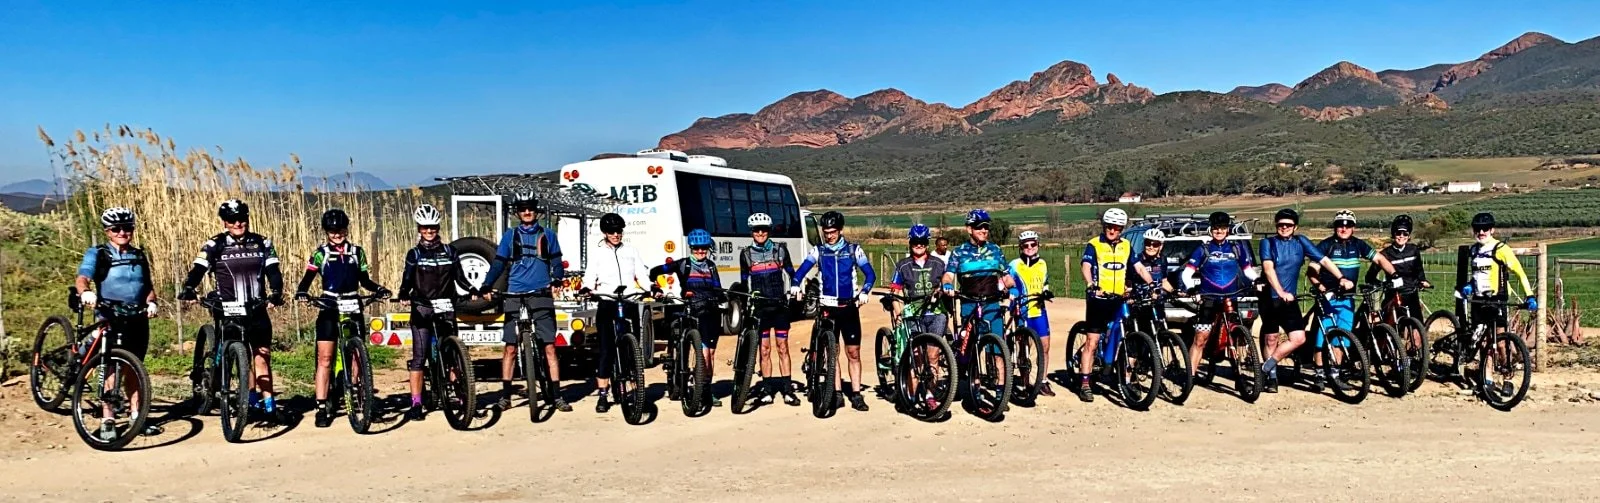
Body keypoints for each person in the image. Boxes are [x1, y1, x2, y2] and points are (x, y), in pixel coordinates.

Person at [180, 199, 286, 418]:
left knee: (262, 355)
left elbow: (273, 271)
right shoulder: (215, 244)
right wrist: (189, 287)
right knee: (233, 355)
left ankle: (268, 405)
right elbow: (198, 269)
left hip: (255, 307)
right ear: (224, 222)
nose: (238, 223)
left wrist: (276, 292)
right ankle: (231, 392)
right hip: (226, 307)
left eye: (242, 219)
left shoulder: (262, 242)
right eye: (232, 220)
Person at [294, 209, 390, 427]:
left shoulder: (357, 252)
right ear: (326, 232)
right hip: (329, 306)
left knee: (357, 355)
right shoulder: (320, 253)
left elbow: (365, 281)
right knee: (325, 358)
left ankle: (358, 398)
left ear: (346, 229)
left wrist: (380, 289)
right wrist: (302, 292)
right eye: (332, 231)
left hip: (352, 303)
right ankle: (321, 406)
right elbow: (307, 279)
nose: (337, 234)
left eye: (340, 230)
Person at [76, 207, 162, 439]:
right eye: (117, 229)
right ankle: (108, 419)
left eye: (127, 228)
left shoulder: (139, 255)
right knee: (111, 368)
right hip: (109, 315)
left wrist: (152, 302)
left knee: (135, 367)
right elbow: (83, 276)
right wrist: (86, 292)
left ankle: (137, 416)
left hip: (136, 317)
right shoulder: (98, 253)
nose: (123, 232)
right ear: (108, 231)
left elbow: (147, 285)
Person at [482, 191, 568, 412]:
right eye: (522, 209)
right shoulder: (510, 236)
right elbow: (499, 263)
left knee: (549, 347)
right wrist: (486, 284)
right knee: (510, 347)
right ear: (517, 212)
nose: (527, 212)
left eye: (530, 208)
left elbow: (557, 262)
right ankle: (505, 395)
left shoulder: (548, 235)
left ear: (536, 210)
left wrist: (557, 279)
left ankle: (557, 395)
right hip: (515, 293)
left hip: (540, 293)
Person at [394, 205, 474, 421]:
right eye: (425, 227)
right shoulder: (415, 253)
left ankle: (460, 395)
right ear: (419, 229)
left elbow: (460, 278)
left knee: (453, 355)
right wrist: (403, 294)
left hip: (446, 305)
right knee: (419, 357)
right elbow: (407, 279)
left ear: (438, 227)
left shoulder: (450, 251)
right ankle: (416, 403)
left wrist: (473, 289)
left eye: (433, 227)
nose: (429, 231)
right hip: (422, 307)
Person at [792, 211, 877, 412]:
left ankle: (856, 394)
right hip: (827, 306)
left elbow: (870, 274)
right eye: (826, 232)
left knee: (853, 352)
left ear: (840, 230)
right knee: (833, 352)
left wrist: (865, 291)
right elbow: (801, 270)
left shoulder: (854, 250)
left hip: (848, 306)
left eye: (832, 232)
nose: (829, 235)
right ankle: (836, 392)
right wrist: (796, 283)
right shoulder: (818, 251)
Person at [1256, 208, 1348, 393]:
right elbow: (1268, 268)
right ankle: (1272, 378)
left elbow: (1323, 261)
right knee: (1271, 338)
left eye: (1288, 225)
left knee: (1298, 338)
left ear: (1295, 226)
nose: (1284, 228)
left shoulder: (1301, 241)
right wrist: (1280, 291)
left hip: (1290, 300)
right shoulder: (1268, 243)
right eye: (1281, 224)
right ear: (1276, 226)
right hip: (1271, 298)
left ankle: (1267, 366)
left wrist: (1341, 277)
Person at [1305, 210, 1392, 391]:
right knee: (1323, 337)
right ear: (1335, 226)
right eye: (1340, 225)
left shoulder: (1358, 245)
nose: (1343, 228)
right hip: (1328, 297)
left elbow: (1379, 259)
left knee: (1342, 338)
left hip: (1348, 299)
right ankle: (1319, 374)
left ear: (1353, 227)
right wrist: (1321, 288)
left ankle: (1334, 374)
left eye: (1348, 225)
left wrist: (1395, 274)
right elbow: (1311, 271)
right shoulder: (1326, 245)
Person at [580, 213, 652, 413]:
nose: (616, 234)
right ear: (605, 233)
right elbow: (590, 276)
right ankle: (603, 395)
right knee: (607, 350)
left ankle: (638, 393)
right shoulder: (598, 253)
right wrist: (587, 288)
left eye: (619, 231)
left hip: (628, 300)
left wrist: (651, 287)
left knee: (633, 349)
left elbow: (641, 273)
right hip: (607, 301)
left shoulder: (630, 250)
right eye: (612, 231)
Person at [650, 229, 727, 407]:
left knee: (712, 354)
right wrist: (655, 288)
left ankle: (707, 389)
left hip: (711, 311)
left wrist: (724, 299)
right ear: (691, 248)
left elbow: (717, 287)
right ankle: (701, 388)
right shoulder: (682, 264)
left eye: (704, 249)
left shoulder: (711, 266)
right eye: (697, 249)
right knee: (704, 352)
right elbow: (656, 271)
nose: (701, 252)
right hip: (693, 311)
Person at [1179, 212, 1258, 380]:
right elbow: (1187, 274)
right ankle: (1190, 377)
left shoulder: (1237, 248)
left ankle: (1239, 371)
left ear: (1227, 230)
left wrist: (1258, 280)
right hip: (1209, 297)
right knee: (1201, 338)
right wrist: (1191, 289)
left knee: (1236, 333)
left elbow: (1248, 271)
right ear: (1211, 229)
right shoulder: (1203, 249)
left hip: (1231, 297)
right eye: (1215, 228)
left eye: (1222, 228)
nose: (1219, 231)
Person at [739, 213, 800, 406]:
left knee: (783, 348)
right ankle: (766, 389)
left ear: (769, 230)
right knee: (764, 350)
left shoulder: (780, 250)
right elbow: (743, 281)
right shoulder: (746, 254)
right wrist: (743, 301)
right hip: (760, 309)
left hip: (779, 306)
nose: (760, 233)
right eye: (756, 230)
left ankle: (788, 390)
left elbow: (791, 273)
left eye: (764, 229)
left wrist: (796, 287)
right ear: (751, 232)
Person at [1458, 213, 1537, 362]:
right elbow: (1477, 274)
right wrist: (1470, 284)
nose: (1481, 232)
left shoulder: (1501, 249)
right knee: (1483, 343)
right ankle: (1487, 378)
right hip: (1478, 300)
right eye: (1477, 229)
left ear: (1492, 230)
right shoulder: (1474, 250)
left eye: (1485, 228)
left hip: (1497, 299)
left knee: (1500, 343)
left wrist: (1530, 295)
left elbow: (1520, 272)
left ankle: (1506, 374)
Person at [1074, 209, 1132, 402]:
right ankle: (1084, 383)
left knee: (1122, 334)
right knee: (1092, 341)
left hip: (1118, 299)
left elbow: (1137, 266)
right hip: (1098, 299)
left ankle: (1125, 380)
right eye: (1109, 226)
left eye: (1116, 227)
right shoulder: (1094, 244)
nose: (1112, 230)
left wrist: (1150, 284)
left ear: (1121, 229)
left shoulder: (1126, 246)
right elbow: (1086, 266)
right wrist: (1091, 284)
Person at [888, 224, 949, 408]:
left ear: (927, 243)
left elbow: (947, 283)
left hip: (936, 313)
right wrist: (898, 313)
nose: (919, 245)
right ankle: (912, 395)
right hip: (913, 313)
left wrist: (943, 291)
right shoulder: (903, 265)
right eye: (915, 241)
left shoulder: (938, 264)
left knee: (933, 354)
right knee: (916, 354)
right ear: (910, 242)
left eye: (922, 242)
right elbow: (895, 291)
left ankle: (930, 394)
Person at [1366, 214, 1431, 358]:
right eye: (1398, 233)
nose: (1401, 236)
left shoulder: (1413, 250)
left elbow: (1419, 270)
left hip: (1411, 294)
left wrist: (1422, 280)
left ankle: (1412, 359)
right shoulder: (1385, 254)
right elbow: (1370, 276)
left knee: (1417, 330)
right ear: (1393, 234)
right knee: (1390, 327)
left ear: (1409, 236)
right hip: (1393, 295)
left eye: (1405, 233)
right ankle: (1383, 352)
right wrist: (1381, 284)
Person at [1008, 230, 1054, 397]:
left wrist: (1047, 291)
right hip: (1022, 310)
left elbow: (1045, 283)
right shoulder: (1014, 265)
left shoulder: (1042, 264)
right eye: (1025, 245)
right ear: (1020, 247)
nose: (1029, 247)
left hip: (1039, 309)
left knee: (1045, 346)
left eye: (1033, 244)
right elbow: (1005, 281)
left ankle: (1042, 380)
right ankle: (1026, 382)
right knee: (1023, 346)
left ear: (1037, 245)